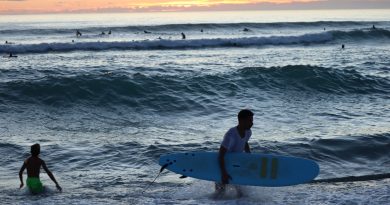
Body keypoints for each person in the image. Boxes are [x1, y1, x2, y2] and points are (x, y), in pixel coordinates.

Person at [215, 109, 253, 197]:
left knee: (240, 194)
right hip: (223, 164)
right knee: (219, 194)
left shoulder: (248, 132)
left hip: (235, 164)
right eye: (250, 120)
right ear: (241, 120)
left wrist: (249, 155)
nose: (252, 123)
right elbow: (221, 155)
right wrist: (223, 173)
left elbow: (245, 142)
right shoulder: (231, 134)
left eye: (252, 120)